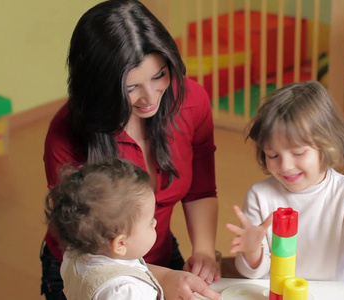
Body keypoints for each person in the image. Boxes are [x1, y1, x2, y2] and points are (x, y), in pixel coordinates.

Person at [40, 1, 220, 299]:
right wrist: (157, 277)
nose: (150, 97)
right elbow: (83, 241)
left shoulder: (191, 101)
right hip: (98, 272)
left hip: (153, 253)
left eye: (159, 75)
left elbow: (200, 190)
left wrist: (202, 252)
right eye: (130, 88)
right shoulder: (66, 133)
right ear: (99, 87)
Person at [225, 81, 344, 282]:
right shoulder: (260, 196)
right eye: (272, 155)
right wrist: (253, 251)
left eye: (298, 152)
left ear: (327, 146)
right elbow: (254, 273)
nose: (285, 165)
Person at [45, 159, 164, 300]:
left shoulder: (74, 253)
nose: (155, 222)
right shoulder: (125, 291)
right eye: (150, 222)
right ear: (120, 244)